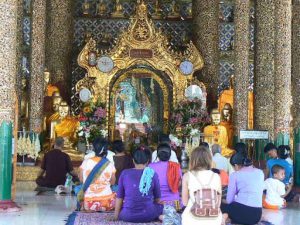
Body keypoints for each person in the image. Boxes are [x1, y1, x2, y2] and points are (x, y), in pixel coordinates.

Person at [114, 146, 163, 223]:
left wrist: (116, 216)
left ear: (133, 161)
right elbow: (158, 199)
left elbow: (119, 197)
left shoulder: (125, 173)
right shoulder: (152, 174)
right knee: (160, 206)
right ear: (147, 161)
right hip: (148, 215)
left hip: (127, 216)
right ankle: (159, 216)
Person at [221, 145, 264, 225]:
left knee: (222, 205)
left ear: (236, 165)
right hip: (257, 215)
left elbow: (229, 200)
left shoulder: (235, 175)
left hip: (243, 214)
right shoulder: (260, 172)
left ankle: (224, 217)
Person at [181, 146, 222, 225]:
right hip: (214, 218)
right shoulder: (216, 176)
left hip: (192, 219)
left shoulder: (187, 176)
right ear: (209, 159)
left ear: (193, 159)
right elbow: (218, 203)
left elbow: (185, 202)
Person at [79, 138, 116, 211]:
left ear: (93, 148)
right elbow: (113, 182)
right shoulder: (109, 164)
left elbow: (81, 179)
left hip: (88, 204)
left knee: (78, 190)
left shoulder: (86, 162)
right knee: (118, 193)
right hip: (107, 203)